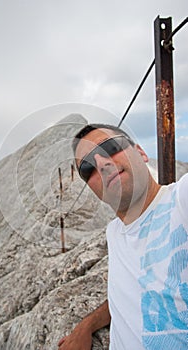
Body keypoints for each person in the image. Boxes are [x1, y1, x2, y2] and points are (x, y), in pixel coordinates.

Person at [58, 123, 188, 350]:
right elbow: (131, 292)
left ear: (141, 152)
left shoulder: (180, 201)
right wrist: (86, 325)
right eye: (88, 167)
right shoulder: (115, 233)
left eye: (110, 147)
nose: (102, 164)